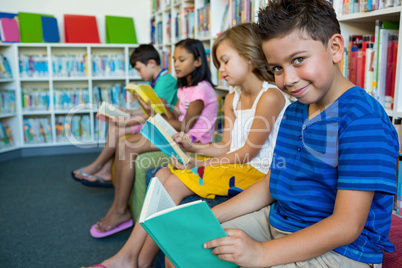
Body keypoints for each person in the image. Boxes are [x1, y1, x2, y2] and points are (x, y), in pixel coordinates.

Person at [202, 1, 398, 267]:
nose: (288, 79)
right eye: (277, 68)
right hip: (280, 221)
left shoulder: (363, 120)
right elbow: (273, 183)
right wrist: (212, 216)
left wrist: (261, 254)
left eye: (298, 60)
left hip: (345, 250)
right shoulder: (295, 111)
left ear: (335, 49)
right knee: (193, 246)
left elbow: (346, 226)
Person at [82, 22, 290, 268]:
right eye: (218, 64)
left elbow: (247, 153)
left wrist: (198, 163)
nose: (221, 70)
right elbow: (225, 146)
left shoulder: (271, 96)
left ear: (250, 57)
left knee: (178, 179)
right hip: (237, 165)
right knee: (162, 173)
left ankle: (131, 259)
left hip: (258, 172)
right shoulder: (232, 97)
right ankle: (136, 259)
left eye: (225, 61)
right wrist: (193, 150)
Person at [87, 39, 218, 239]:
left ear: (198, 61)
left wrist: (155, 115)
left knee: (129, 146)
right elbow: (177, 119)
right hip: (179, 137)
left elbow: (185, 125)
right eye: (174, 59)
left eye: (182, 59)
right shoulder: (184, 89)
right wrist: (158, 109)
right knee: (123, 143)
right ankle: (118, 207)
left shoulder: (201, 89)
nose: (176, 64)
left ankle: (120, 211)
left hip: (193, 143)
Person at [71, 44, 178, 187]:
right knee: (115, 125)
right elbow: (150, 108)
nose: (139, 74)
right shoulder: (158, 80)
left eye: (139, 69)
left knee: (116, 128)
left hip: (159, 123)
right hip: (152, 119)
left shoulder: (165, 82)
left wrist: (128, 122)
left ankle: (97, 166)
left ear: (151, 63)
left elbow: (155, 113)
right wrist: (129, 112)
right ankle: (105, 169)